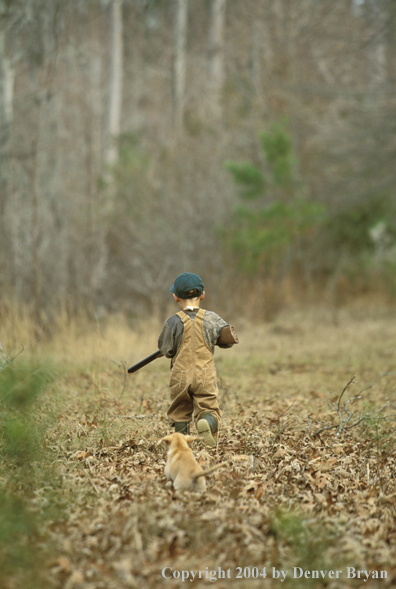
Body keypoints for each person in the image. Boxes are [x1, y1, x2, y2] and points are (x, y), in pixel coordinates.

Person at [158, 272, 234, 447]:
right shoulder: (212, 319)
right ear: (203, 295)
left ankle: (181, 443)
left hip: (180, 375)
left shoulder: (172, 322)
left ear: (176, 298)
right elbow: (227, 341)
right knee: (208, 407)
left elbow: (166, 349)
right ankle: (207, 422)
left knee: (180, 410)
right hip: (205, 374)